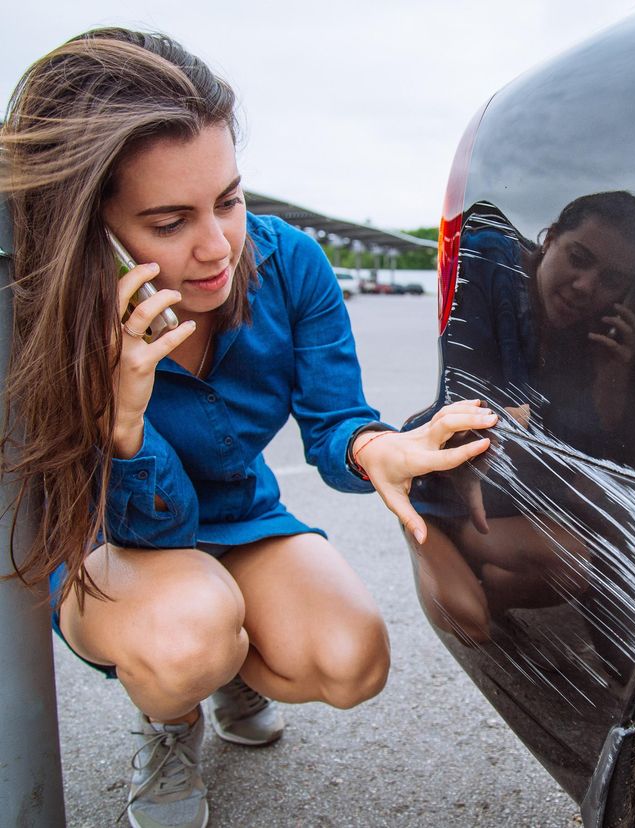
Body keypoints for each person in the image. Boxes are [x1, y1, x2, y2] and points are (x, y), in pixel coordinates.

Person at [0, 28, 496, 828]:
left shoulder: (289, 262)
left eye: (228, 200)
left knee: (353, 660)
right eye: (169, 222)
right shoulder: (46, 313)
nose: (217, 248)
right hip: (113, 540)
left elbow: (335, 421)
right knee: (190, 633)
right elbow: (144, 523)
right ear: (92, 230)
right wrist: (123, 420)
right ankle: (171, 714)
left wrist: (376, 448)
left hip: (239, 517)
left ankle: (223, 661)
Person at [411, 194, 635, 643]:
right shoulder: (488, 268)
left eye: (611, 280)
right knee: (469, 621)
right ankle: (423, 521)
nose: (585, 286)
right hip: (449, 484)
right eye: (579, 258)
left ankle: (483, 562)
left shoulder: (587, 334)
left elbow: (592, 458)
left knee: (582, 557)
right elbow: (469, 396)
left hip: (509, 493)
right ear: (550, 237)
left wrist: (612, 382)